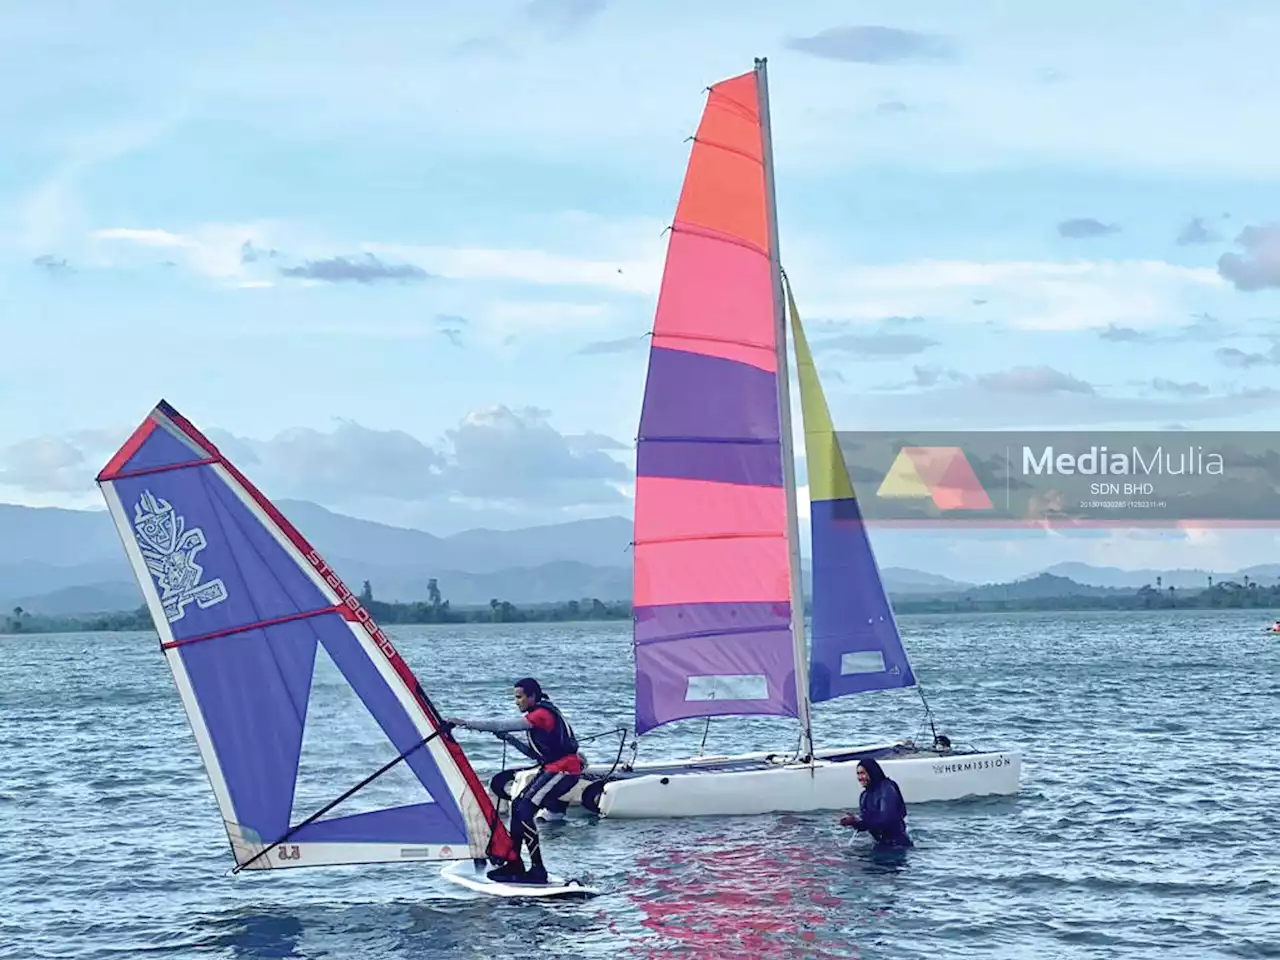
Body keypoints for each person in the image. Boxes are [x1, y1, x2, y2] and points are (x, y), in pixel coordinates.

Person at [446, 678, 582, 884]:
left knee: (525, 808)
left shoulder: (541, 715)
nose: (516, 702)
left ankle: (537, 870)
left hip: (564, 770)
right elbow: (533, 754)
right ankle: (514, 862)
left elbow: (503, 724)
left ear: (533, 697)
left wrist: (464, 723)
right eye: (515, 698)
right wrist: (509, 739)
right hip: (553, 767)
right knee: (518, 804)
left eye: (519, 697)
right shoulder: (538, 716)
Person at [839, 757, 912, 849]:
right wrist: (853, 822)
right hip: (880, 845)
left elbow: (886, 820)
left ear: (872, 772)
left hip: (898, 846)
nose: (860, 778)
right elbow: (867, 824)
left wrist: (857, 821)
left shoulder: (887, 789)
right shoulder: (864, 796)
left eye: (863, 773)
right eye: (858, 774)